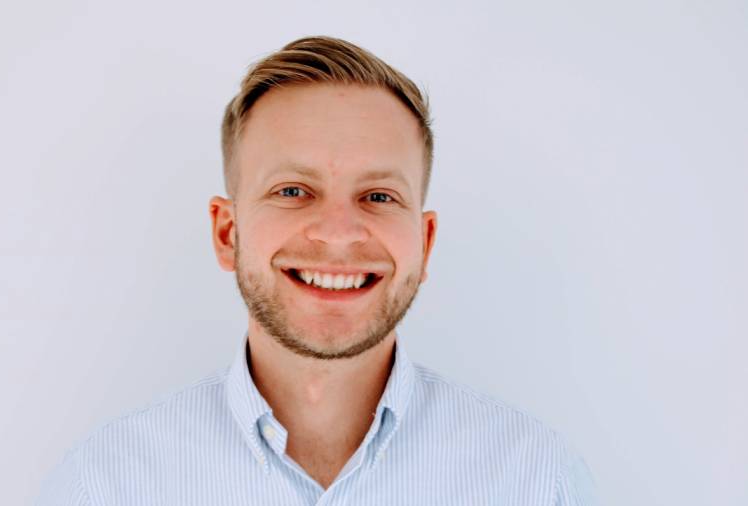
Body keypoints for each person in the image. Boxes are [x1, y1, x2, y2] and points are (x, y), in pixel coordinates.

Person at [37, 35, 597, 505]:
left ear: (424, 242)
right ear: (226, 232)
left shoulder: (536, 482)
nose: (337, 232)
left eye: (378, 196)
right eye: (293, 190)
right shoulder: (105, 485)